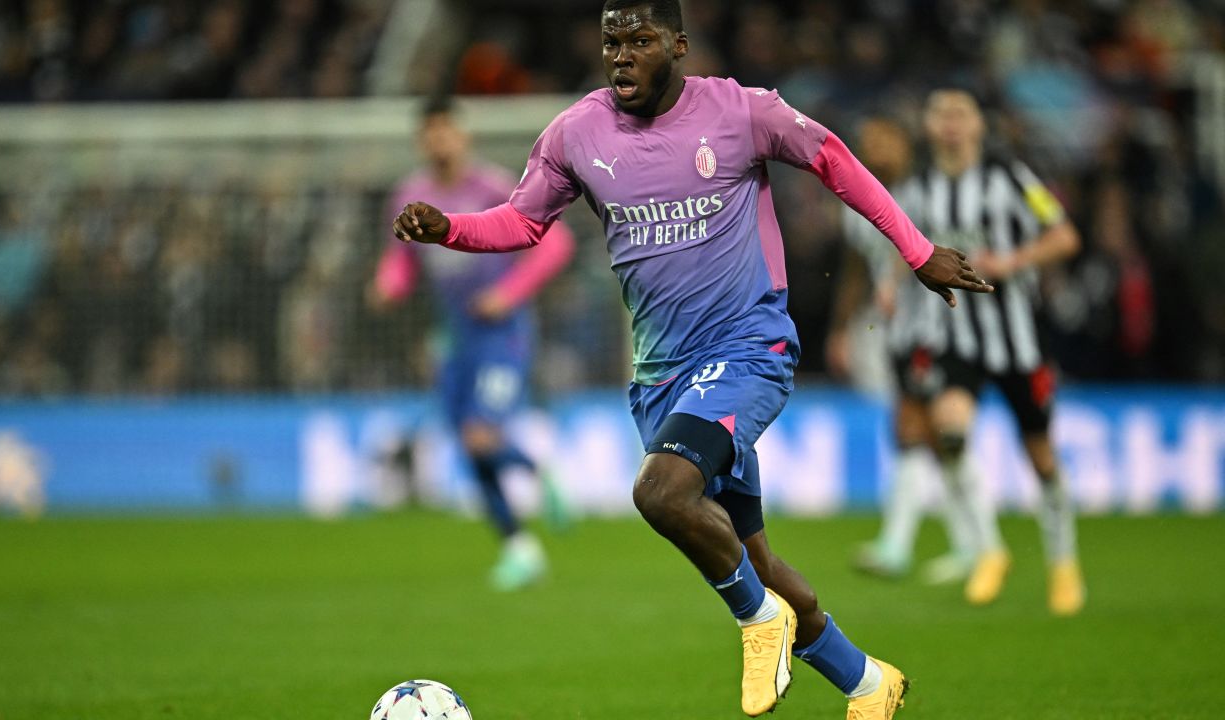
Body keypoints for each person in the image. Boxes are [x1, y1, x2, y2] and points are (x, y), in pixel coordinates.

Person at [391, 2, 992, 716]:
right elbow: (523, 220)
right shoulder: (576, 133)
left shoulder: (741, 112)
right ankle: (866, 683)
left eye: (640, 41)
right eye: (612, 41)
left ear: (677, 46)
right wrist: (449, 228)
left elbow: (832, 158)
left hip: (747, 349)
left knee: (661, 493)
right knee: (754, 559)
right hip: (661, 377)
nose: (621, 56)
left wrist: (917, 251)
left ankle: (759, 621)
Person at [873, 88, 1086, 616]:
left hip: (1017, 341)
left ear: (977, 125)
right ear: (927, 124)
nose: (949, 124)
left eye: (959, 114)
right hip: (954, 337)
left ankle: (1063, 563)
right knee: (948, 432)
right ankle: (991, 549)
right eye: (939, 113)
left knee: (1040, 456)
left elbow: (1064, 237)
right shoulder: (918, 188)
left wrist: (1012, 262)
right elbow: (908, 245)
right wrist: (892, 285)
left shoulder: (1012, 179)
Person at [370, 97, 576, 592]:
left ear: (463, 135)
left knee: (480, 436)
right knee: (470, 451)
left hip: (501, 337)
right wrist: (387, 285)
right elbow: (403, 261)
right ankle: (519, 549)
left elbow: (557, 245)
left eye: (447, 130)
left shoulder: (494, 187)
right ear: (423, 140)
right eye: (430, 132)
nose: (439, 140)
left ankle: (534, 468)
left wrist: (507, 295)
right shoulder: (409, 194)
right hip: (455, 338)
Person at [832, 118, 978, 585]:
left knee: (915, 429)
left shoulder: (924, 193)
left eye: (885, 138)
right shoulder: (852, 202)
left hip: (934, 327)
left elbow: (940, 250)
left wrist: (897, 281)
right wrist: (840, 327)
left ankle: (901, 544)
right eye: (869, 139)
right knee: (930, 438)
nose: (877, 147)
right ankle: (971, 546)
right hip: (895, 334)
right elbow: (856, 267)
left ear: (904, 142)